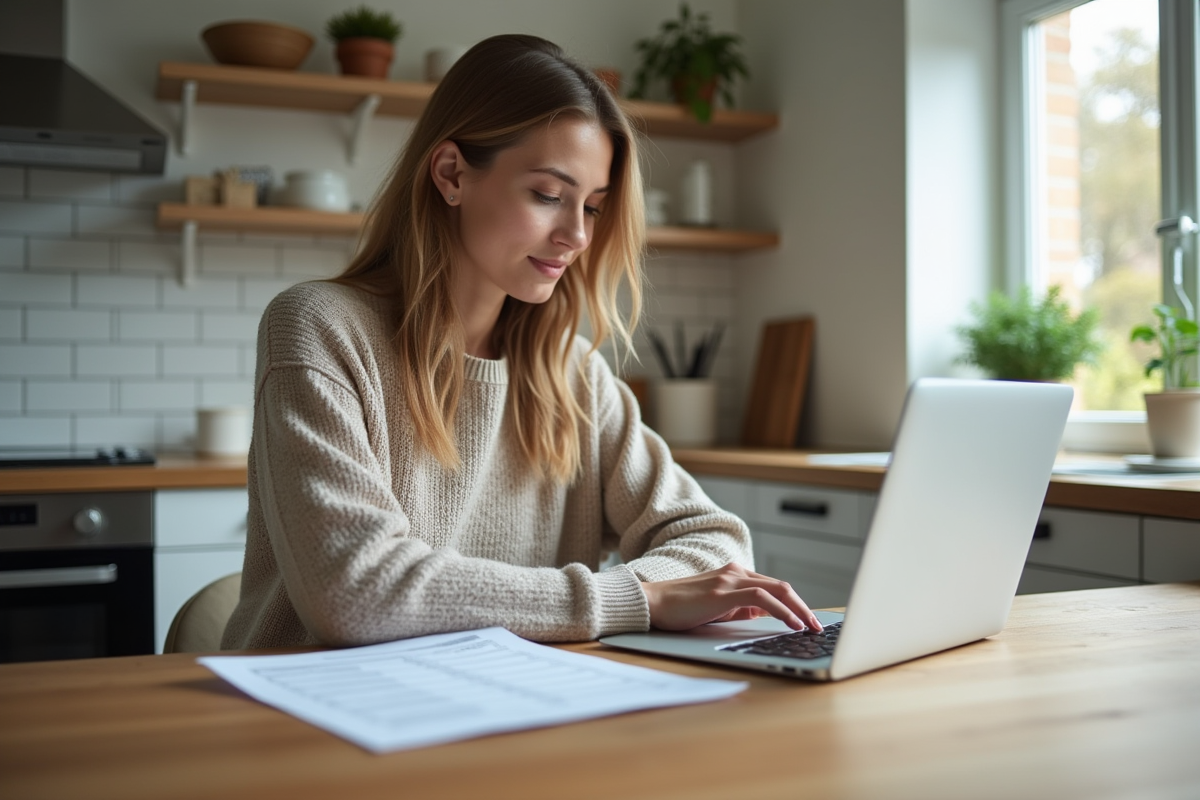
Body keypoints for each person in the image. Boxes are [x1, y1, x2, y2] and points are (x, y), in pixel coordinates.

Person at [221, 34, 820, 651]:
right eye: (548, 195)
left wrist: (643, 595)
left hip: (500, 710)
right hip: (309, 717)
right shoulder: (319, 327)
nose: (578, 236)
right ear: (452, 174)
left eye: (591, 207)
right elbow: (355, 591)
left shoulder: (571, 376)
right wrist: (635, 598)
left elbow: (716, 542)